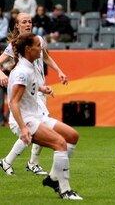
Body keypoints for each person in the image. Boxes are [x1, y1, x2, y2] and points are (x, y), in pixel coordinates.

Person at [6, 32, 82, 199]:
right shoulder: (22, 72)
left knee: (72, 136)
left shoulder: (29, 66)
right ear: (28, 49)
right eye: (38, 46)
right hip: (25, 119)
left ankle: (53, 177)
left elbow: (28, 87)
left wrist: (41, 88)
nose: (41, 49)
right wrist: (24, 128)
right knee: (60, 143)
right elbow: (13, 103)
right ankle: (65, 190)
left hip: (36, 115)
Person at [0, 12, 69, 176]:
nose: (28, 24)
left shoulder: (38, 39)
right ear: (17, 25)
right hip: (28, 91)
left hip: (39, 88)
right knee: (39, 128)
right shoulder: (16, 44)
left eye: (29, 21)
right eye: (24, 22)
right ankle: (26, 162)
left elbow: (46, 57)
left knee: (39, 128)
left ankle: (16, 162)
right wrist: (1, 74)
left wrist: (59, 71)